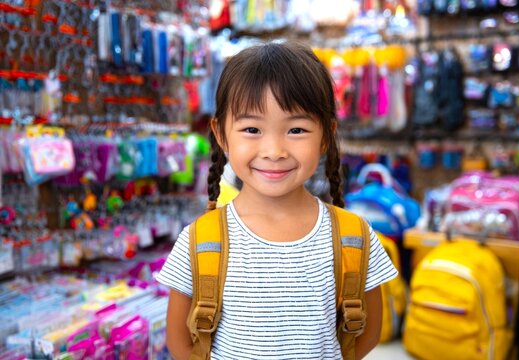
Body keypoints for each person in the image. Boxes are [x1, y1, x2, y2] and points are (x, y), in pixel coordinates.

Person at [156, 41, 398, 359]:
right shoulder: (201, 241)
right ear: (221, 133)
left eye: (296, 129)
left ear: (326, 134)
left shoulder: (352, 237)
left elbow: (366, 333)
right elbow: (180, 342)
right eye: (252, 128)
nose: (274, 151)